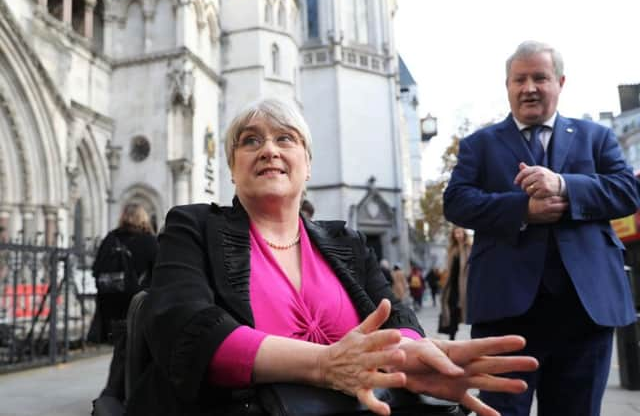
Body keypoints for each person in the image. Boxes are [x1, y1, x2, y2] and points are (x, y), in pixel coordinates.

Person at [126, 98, 538, 416]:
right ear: (233, 168)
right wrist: (325, 363)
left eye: (285, 138)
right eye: (250, 140)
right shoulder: (193, 226)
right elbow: (187, 328)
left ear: (308, 165)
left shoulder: (345, 240)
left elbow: (396, 316)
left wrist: (410, 355)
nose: (268, 149)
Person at [443, 40, 640, 416]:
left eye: (540, 78)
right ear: (507, 86)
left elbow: (627, 191)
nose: (528, 87)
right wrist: (523, 209)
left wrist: (564, 185)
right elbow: (456, 202)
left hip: (586, 310)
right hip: (506, 310)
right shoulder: (479, 145)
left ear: (560, 82)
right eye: (519, 79)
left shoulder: (595, 136)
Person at [89, 203, 158, 402]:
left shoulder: (111, 238)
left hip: (111, 308)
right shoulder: (149, 242)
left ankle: (119, 394)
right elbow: (158, 274)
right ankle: (112, 396)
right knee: (128, 353)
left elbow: (96, 270)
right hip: (137, 308)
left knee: (122, 350)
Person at [439, 227, 470, 340]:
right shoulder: (452, 249)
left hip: (464, 285)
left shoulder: (468, 248)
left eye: (460, 232)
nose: (458, 235)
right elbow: (449, 268)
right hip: (452, 285)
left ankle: (454, 331)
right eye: (456, 233)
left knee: (459, 310)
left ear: (464, 233)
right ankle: (452, 335)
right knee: (451, 308)